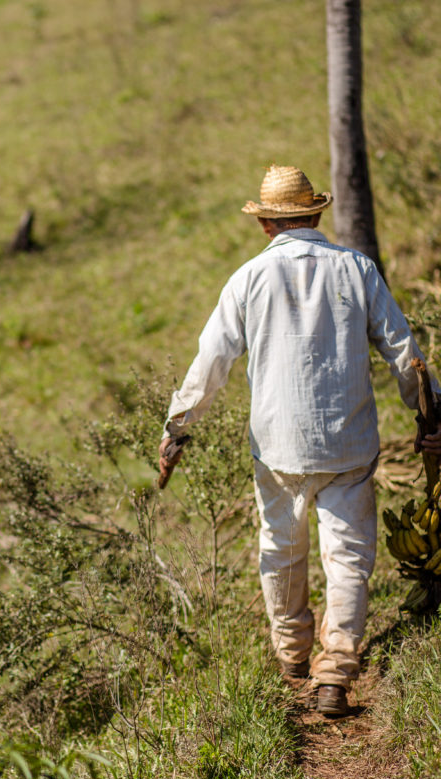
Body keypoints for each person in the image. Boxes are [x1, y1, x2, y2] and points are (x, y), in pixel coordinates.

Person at [158, 164, 441, 716]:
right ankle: (335, 671)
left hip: (279, 447)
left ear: (267, 223)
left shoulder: (247, 279)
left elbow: (209, 364)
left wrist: (177, 429)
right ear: (315, 213)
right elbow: (406, 354)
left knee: (281, 550)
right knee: (349, 558)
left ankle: (292, 657)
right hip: (349, 444)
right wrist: (432, 417)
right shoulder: (356, 269)